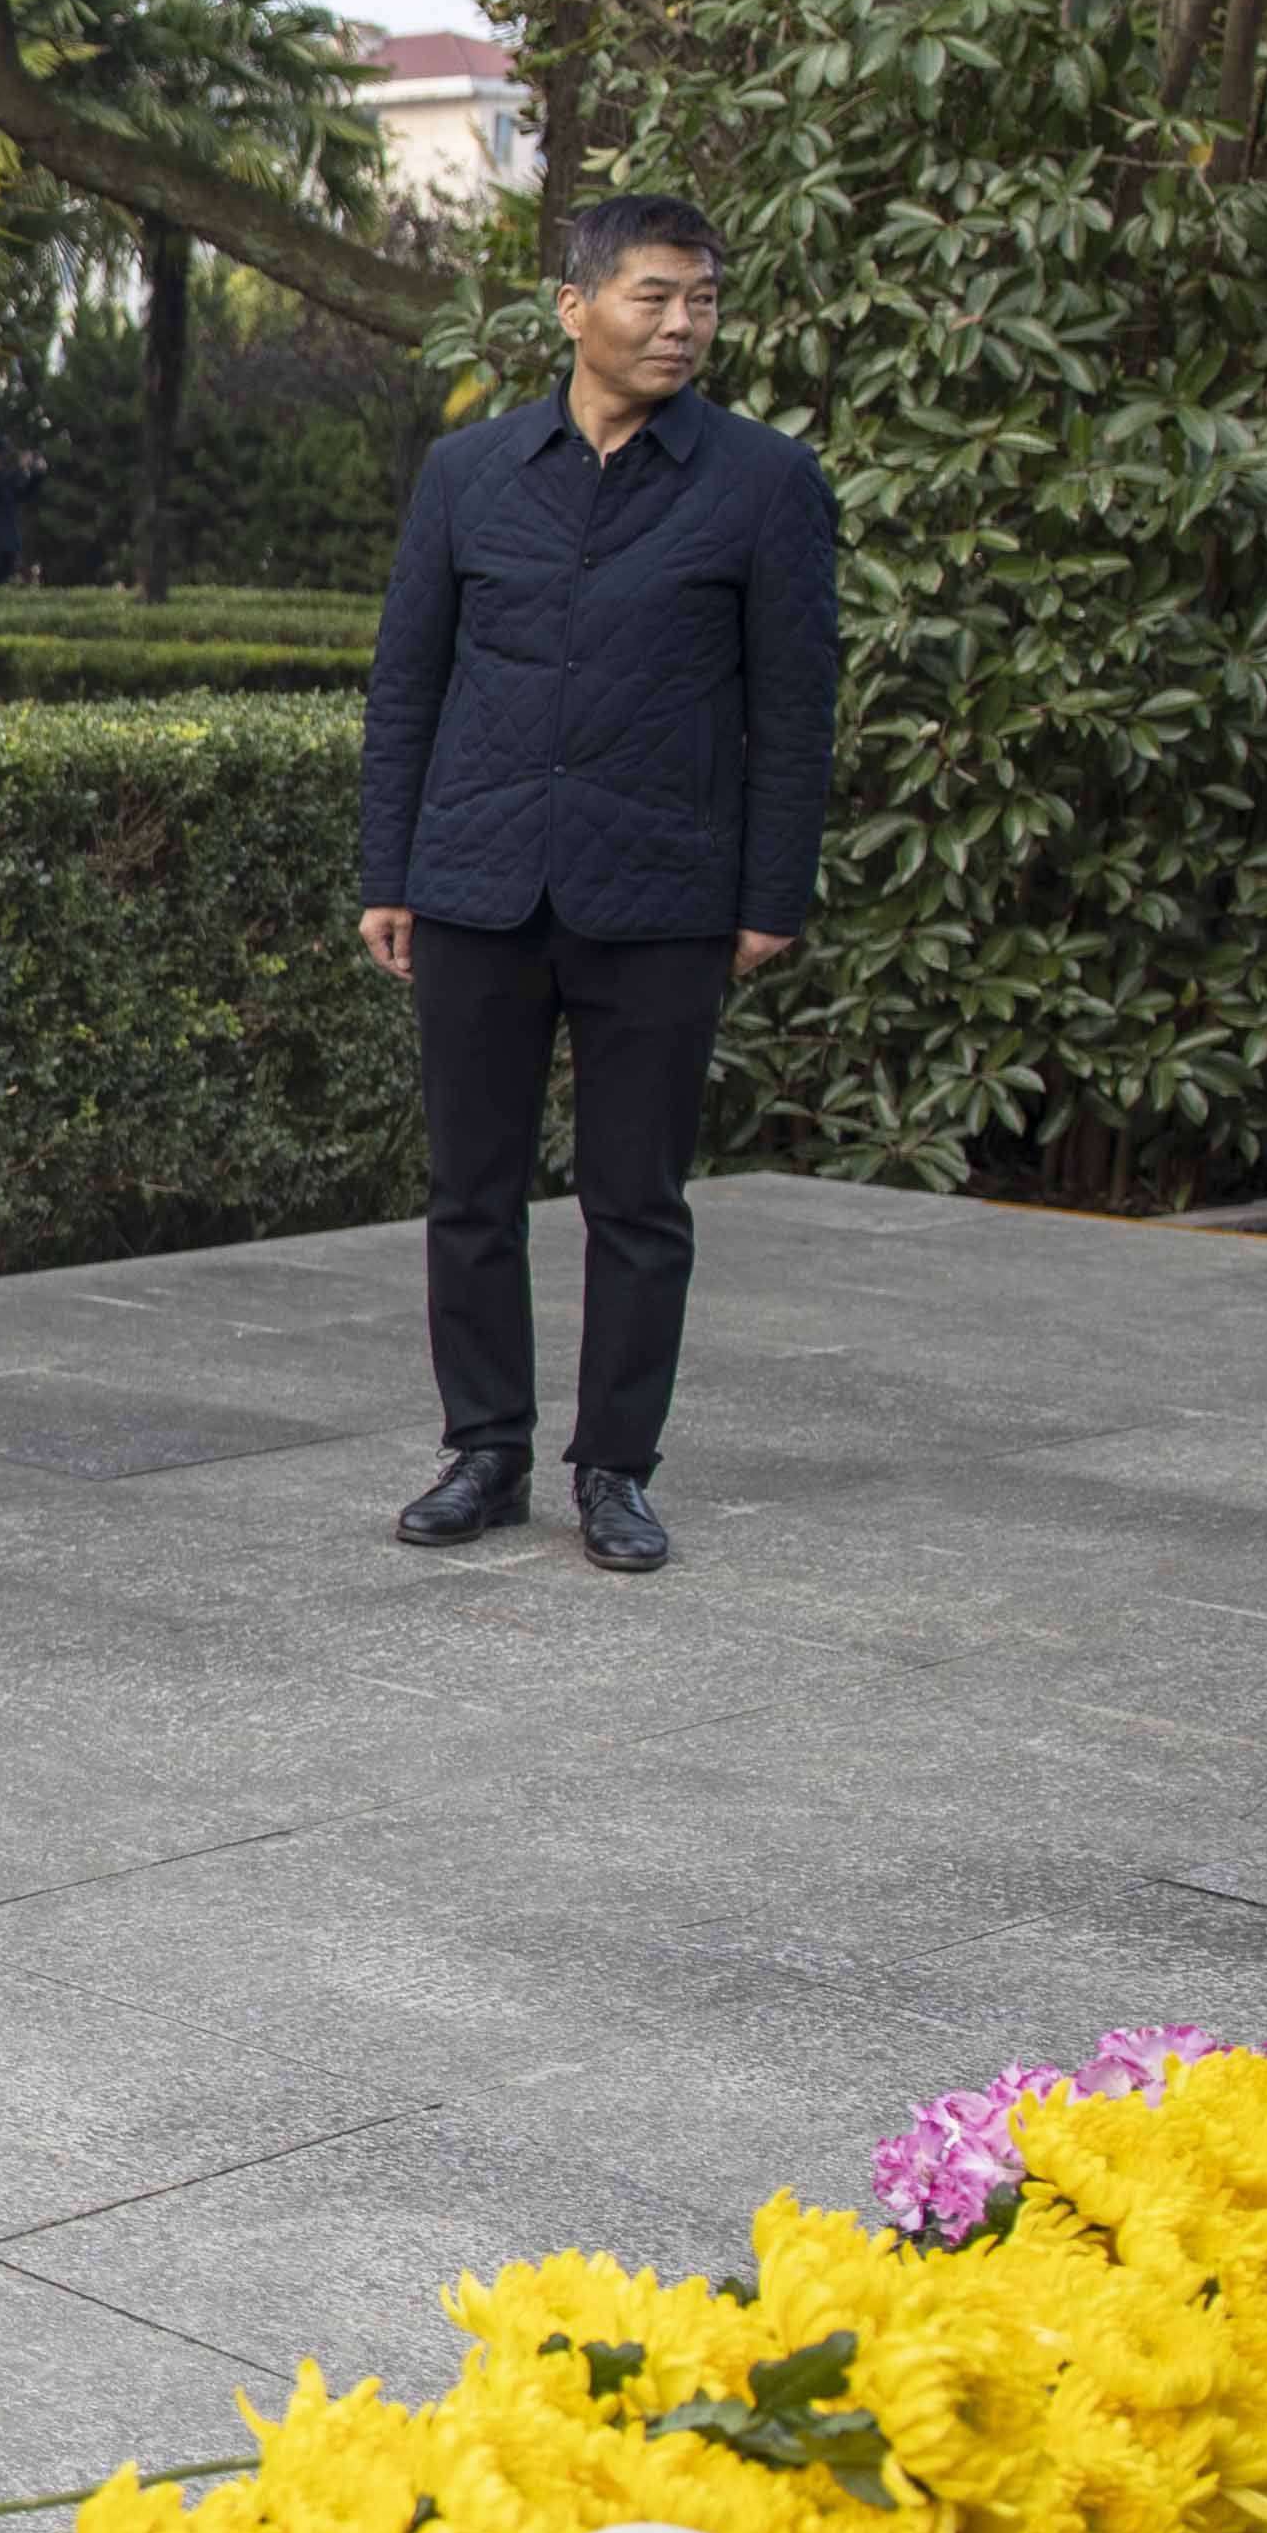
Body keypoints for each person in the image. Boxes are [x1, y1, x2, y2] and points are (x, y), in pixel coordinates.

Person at [359, 192, 835, 1576]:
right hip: (477, 885)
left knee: (639, 1200)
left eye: (701, 298)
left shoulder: (762, 483)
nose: (682, 323)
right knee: (470, 1189)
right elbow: (411, 682)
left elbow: (794, 707)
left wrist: (771, 893)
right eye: (652, 296)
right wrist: (391, 867)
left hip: (665, 894)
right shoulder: (469, 474)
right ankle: (486, 1450)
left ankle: (616, 1470)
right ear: (573, 307)